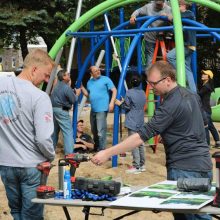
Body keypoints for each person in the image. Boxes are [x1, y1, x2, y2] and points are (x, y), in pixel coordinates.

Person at [92, 61, 212, 220]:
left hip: (185, 169)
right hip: (204, 165)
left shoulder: (170, 105)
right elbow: (200, 122)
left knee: (192, 217)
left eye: (154, 83)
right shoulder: (190, 95)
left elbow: (140, 136)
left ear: (168, 80)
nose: (151, 87)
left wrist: (107, 152)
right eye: (149, 83)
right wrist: (171, 132)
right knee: (201, 214)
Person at [0, 49, 55, 220]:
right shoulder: (39, 97)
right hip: (32, 166)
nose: (46, 80)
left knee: (16, 211)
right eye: (46, 75)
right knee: (32, 215)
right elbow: (43, 138)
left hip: (6, 164)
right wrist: (50, 157)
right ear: (33, 70)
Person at [115, 73, 146, 174]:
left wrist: (120, 104)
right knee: (141, 142)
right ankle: (142, 164)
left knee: (133, 144)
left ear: (130, 82)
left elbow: (127, 107)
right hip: (141, 119)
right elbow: (135, 104)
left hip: (132, 120)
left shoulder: (129, 92)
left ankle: (136, 166)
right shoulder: (142, 92)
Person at [81, 66, 117, 152]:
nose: (98, 71)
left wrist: (111, 102)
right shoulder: (89, 82)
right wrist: (82, 87)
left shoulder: (106, 79)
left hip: (102, 108)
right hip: (93, 108)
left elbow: (114, 90)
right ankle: (96, 147)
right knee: (94, 130)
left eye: (98, 70)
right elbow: (89, 95)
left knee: (101, 130)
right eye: (95, 71)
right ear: (91, 74)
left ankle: (102, 149)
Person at [167, 0, 197, 93]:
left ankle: (181, 73)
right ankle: (192, 92)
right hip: (187, 45)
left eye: (177, 6)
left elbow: (176, 17)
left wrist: (171, 16)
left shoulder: (189, 14)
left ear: (183, 6)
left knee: (170, 56)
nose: (175, 9)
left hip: (187, 45)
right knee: (187, 70)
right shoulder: (182, 16)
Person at [130, 0, 171, 66]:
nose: (158, 5)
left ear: (164, 2)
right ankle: (149, 74)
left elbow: (174, 18)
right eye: (157, 4)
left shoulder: (168, 9)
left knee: (164, 58)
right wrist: (133, 16)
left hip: (163, 38)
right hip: (150, 37)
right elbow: (138, 11)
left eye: (160, 4)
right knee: (150, 58)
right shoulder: (149, 7)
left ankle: (162, 74)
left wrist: (168, 16)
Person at [50, 69, 81, 155]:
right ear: (64, 77)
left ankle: (50, 151)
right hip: (62, 111)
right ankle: (69, 154)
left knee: (54, 132)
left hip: (54, 109)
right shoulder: (66, 87)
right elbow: (74, 99)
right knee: (68, 132)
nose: (69, 75)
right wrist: (77, 94)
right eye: (67, 74)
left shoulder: (57, 86)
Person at [198, 69, 220, 148]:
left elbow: (198, 95)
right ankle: (218, 141)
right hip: (207, 109)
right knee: (210, 126)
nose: (203, 75)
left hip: (204, 109)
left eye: (205, 74)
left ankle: (207, 144)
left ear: (209, 77)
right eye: (203, 74)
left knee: (205, 126)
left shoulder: (206, 86)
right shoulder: (206, 85)